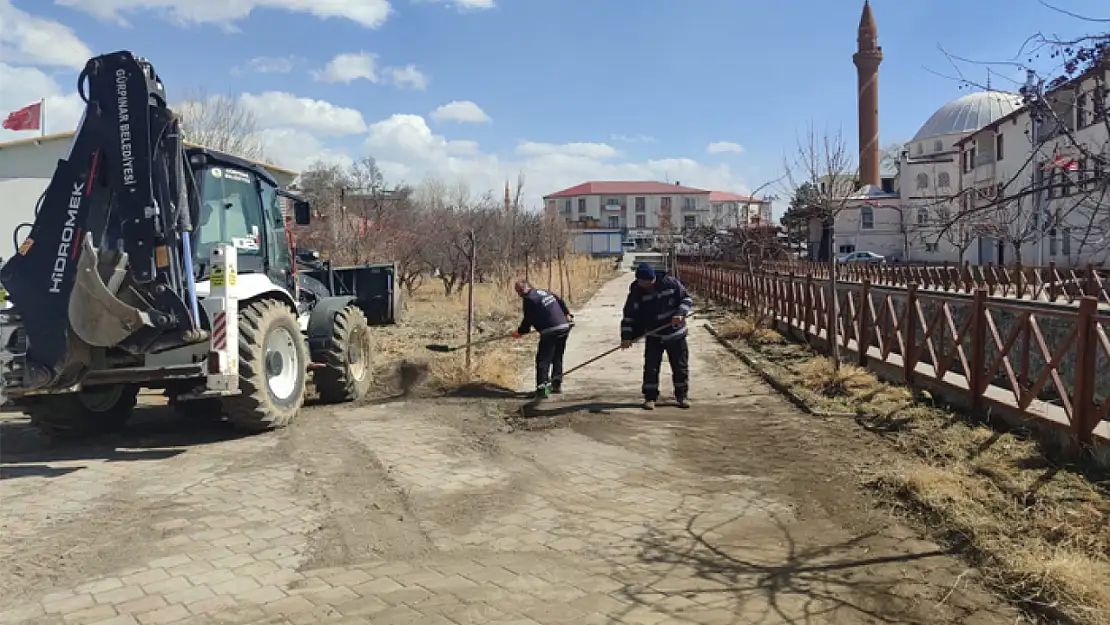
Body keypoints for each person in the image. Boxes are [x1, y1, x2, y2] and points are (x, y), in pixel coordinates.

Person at [620, 263, 694, 410]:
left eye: (647, 282)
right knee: (651, 367)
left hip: (675, 333)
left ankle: (682, 396)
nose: (644, 285)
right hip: (653, 335)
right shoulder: (636, 292)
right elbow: (629, 316)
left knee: (680, 367)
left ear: (653, 278)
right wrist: (626, 337)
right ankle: (650, 397)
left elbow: (687, 299)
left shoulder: (670, 283)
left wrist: (680, 313)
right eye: (641, 282)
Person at [513, 281, 573, 399]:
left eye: (520, 291)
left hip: (551, 330)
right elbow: (561, 303)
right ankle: (556, 384)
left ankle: (543, 389)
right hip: (564, 327)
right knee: (557, 356)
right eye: (518, 292)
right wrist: (567, 314)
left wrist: (519, 332)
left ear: (527, 287)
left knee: (543, 360)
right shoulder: (545, 292)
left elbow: (528, 320)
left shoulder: (529, 299)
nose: (520, 294)